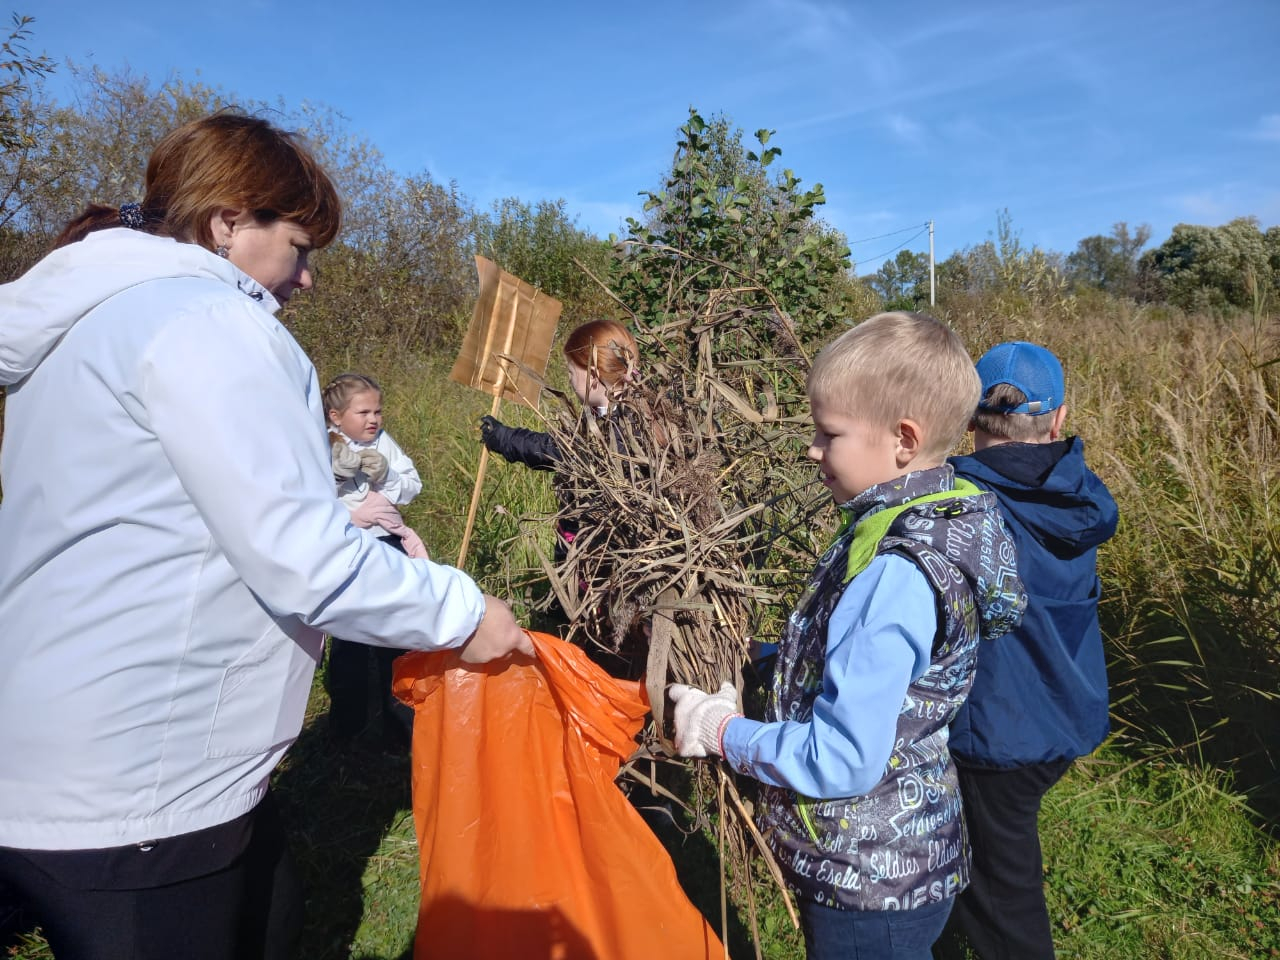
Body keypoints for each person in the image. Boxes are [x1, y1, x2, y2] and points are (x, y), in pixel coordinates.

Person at [0, 111, 531, 960]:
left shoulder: (90, 322)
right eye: (299, 245)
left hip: (65, 740)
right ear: (227, 224)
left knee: (273, 911)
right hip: (141, 779)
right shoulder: (211, 327)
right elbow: (306, 555)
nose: (307, 278)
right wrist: (465, 613)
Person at [667, 312, 1027, 960]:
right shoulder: (929, 523)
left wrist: (722, 731)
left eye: (828, 433)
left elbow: (842, 758)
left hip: (867, 882)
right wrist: (775, 662)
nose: (812, 449)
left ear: (902, 440)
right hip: (902, 853)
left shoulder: (894, 571)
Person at [941, 342, 1119, 960]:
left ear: (967, 416)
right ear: (1060, 418)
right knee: (987, 864)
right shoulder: (1081, 497)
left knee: (1002, 893)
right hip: (1064, 715)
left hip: (998, 735)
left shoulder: (952, 501)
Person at [479, 318, 649, 674]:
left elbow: (552, 450)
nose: (569, 380)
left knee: (596, 652)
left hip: (601, 569)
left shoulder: (621, 428)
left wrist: (502, 438)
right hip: (588, 560)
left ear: (593, 374)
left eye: (571, 371)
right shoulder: (617, 415)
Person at [323, 372, 429, 745]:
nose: (373, 419)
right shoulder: (320, 446)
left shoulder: (384, 444)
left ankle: (399, 726)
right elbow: (306, 499)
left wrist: (385, 476)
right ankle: (346, 728)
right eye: (363, 412)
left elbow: (411, 488)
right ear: (336, 417)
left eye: (378, 411)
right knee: (349, 639)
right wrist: (334, 482)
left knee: (395, 634)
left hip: (386, 546)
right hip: (346, 547)